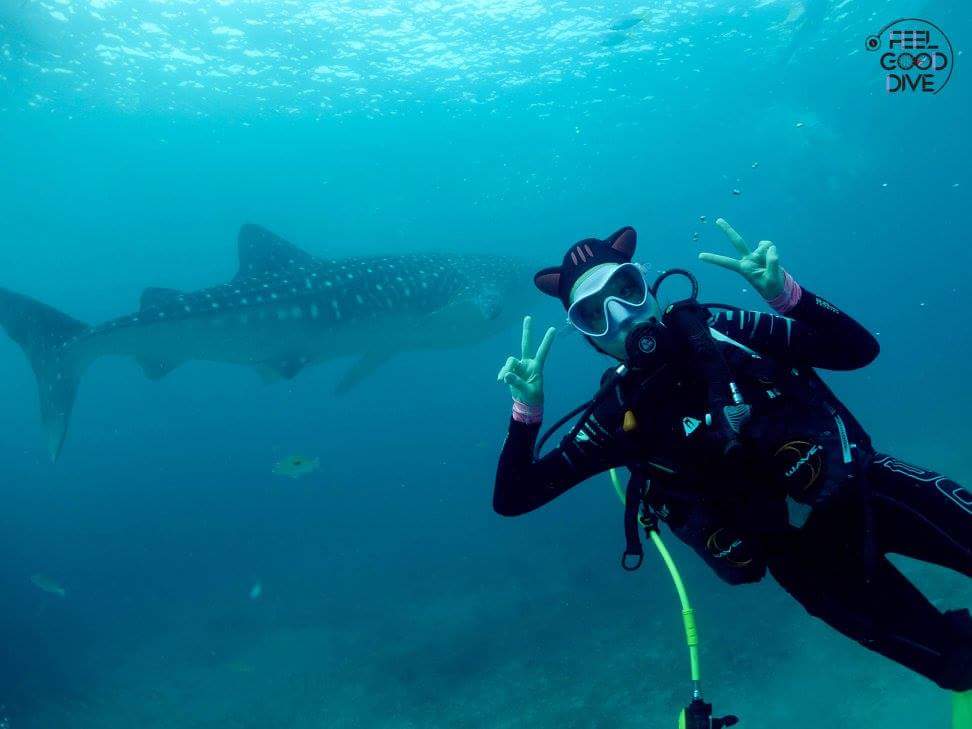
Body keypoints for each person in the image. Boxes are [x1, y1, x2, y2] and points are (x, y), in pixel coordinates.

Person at [492, 219, 972, 709]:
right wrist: (526, 412)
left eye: (627, 291)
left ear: (650, 288)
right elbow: (514, 498)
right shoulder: (618, 419)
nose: (621, 318)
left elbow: (857, 350)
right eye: (595, 316)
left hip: (869, 491)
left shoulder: (724, 331)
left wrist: (787, 295)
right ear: (590, 339)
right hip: (811, 567)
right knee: (955, 663)